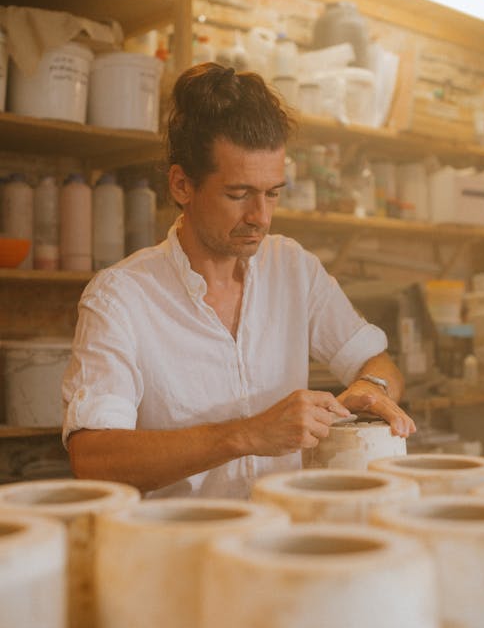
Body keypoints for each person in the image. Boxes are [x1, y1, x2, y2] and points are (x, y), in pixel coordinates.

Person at [63, 62, 415, 499]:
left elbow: (378, 362)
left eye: (272, 193)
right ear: (181, 185)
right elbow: (94, 458)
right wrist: (245, 435)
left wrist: (371, 389)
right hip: (175, 553)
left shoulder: (293, 268)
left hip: (283, 542)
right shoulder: (121, 298)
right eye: (238, 194)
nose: (260, 217)